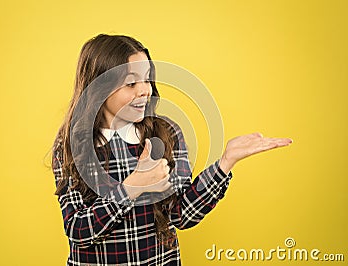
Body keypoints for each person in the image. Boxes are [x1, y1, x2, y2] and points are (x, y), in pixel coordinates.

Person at [51, 33, 293, 266]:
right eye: (131, 83)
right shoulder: (72, 145)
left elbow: (181, 215)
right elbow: (78, 231)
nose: (144, 90)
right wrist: (132, 187)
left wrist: (225, 163)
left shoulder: (166, 133)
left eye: (146, 79)